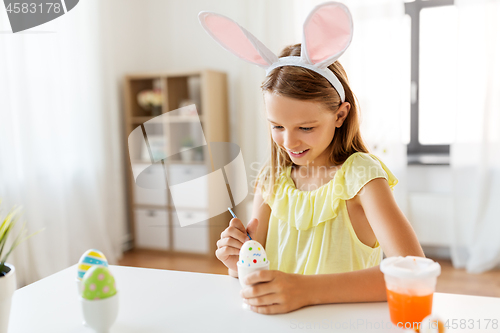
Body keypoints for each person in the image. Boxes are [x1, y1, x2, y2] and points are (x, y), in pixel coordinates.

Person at [200, 2, 424, 314]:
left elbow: (412, 272)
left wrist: (304, 291)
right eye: (277, 126)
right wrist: (237, 261)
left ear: (340, 114)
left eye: (306, 127)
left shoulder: (361, 176)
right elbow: (257, 272)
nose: (289, 142)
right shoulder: (271, 178)